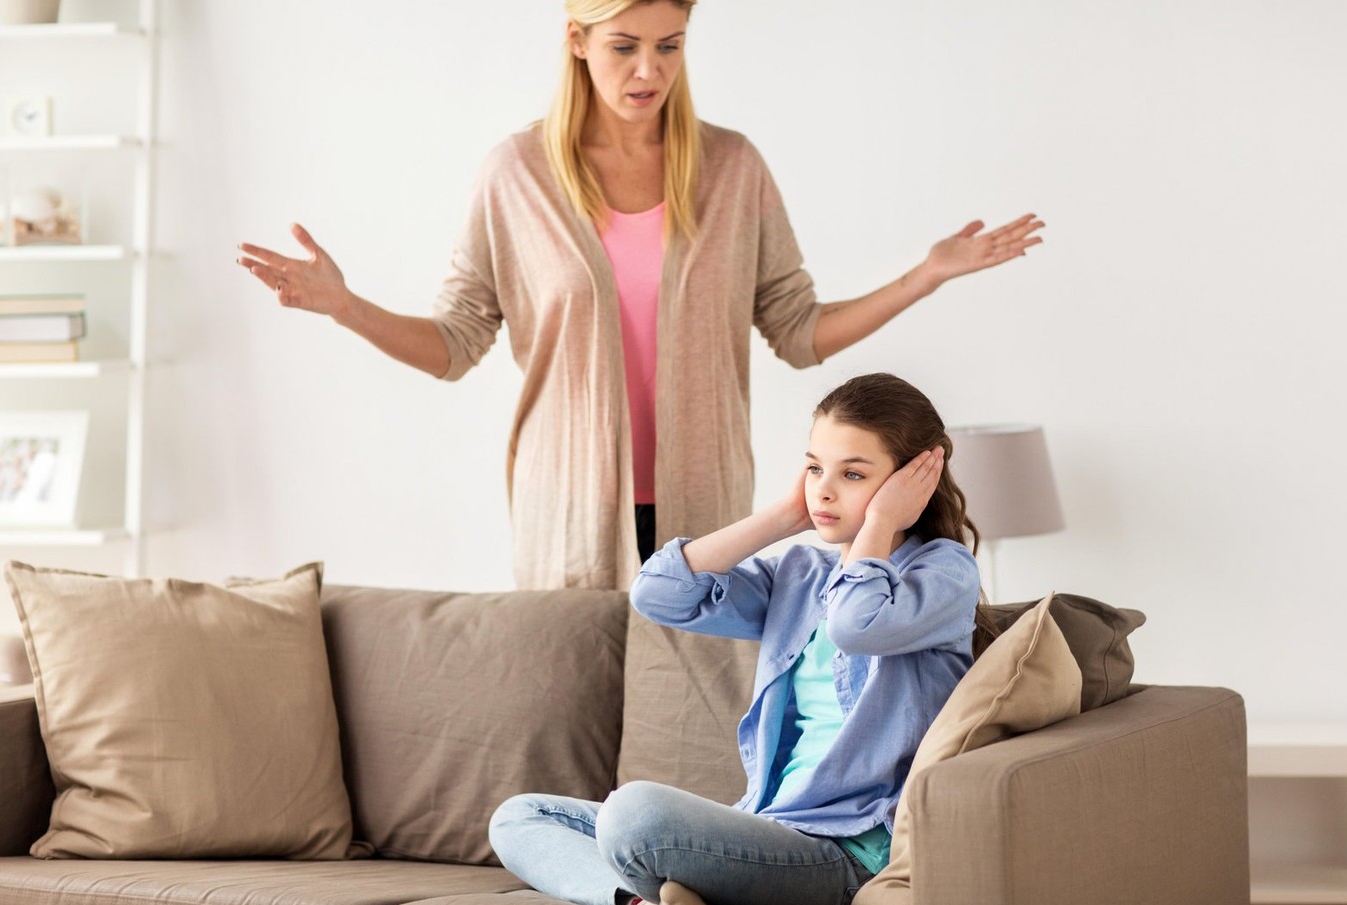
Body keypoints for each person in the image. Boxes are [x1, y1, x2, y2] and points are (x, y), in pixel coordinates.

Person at [235, 0, 1043, 590]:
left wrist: (925, 274)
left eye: (670, 45)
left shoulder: (732, 169)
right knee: (568, 718)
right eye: (624, 46)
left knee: (695, 730)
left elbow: (798, 331)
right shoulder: (516, 174)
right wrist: (345, 305)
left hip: (706, 505)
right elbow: (456, 344)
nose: (649, 70)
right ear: (577, 40)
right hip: (571, 513)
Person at [488, 372, 981, 905]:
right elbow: (659, 595)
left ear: (913, 480)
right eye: (815, 467)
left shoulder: (943, 573)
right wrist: (784, 516)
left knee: (634, 814)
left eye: (854, 474)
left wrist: (883, 521)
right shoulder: (800, 573)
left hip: (846, 852)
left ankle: (677, 888)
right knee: (519, 816)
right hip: (766, 825)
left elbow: (855, 626)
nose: (824, 489)